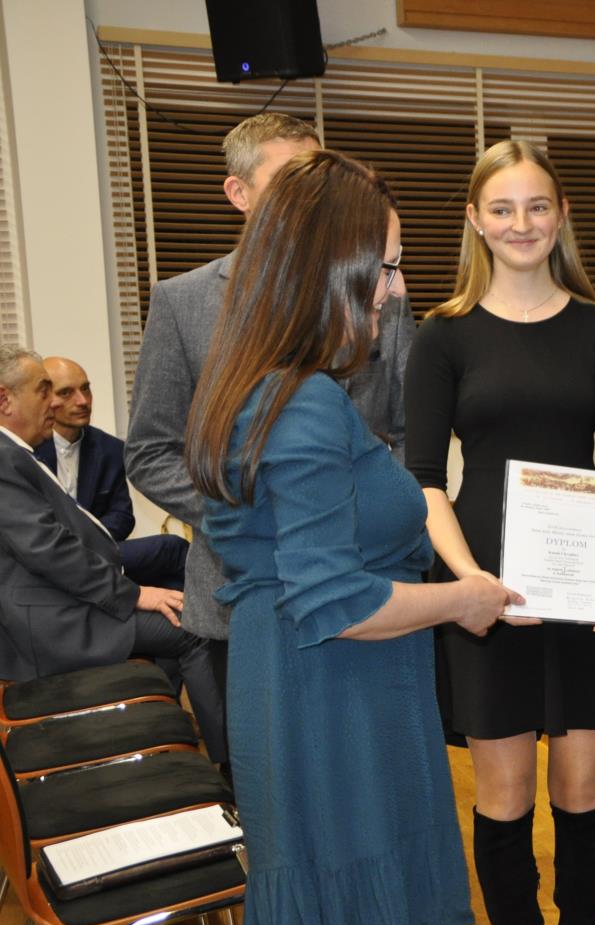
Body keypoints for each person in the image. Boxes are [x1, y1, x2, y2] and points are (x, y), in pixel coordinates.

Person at [188, 150, 507, 925]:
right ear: (333, 271)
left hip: (300, 693)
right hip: (338, 706)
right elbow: (335, 601)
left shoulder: (254, 385)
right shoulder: (307, 406)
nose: (396, 291)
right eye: (389, 267)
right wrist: (465, 598)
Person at [405, 139, 595, 925]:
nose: (522, 224)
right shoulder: (441, 335)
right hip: (485, 582)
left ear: (561, 218)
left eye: (539, 207)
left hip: (584, 578)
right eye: (503, 208)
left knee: (582, 792)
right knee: (506, 797)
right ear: (476, 219)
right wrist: (469, 581)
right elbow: (425, 481)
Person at [126, 110, 415, 768]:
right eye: (290, 182)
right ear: (240, 193)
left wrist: (371, 519)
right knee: (262, 797)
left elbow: (405, 432)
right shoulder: (185, 301)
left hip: (368, 589)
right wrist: (260, 514)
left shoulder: (379, 286)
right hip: (241, 601)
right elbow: (149, 451)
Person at [0, 345, 220, 738]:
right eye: (43, 390)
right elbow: (47, 550)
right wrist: (132, 594)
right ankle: (231, 768)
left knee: (174, 604)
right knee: (197, 631)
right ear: (5, 399)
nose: (53, 403)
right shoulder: (5, 458)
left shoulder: (15, 453)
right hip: (50, 622)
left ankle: (160, 732)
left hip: (54, 602)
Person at [33, 356, 189, 589]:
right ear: (45, 398)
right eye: (66, 393)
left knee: (169, 565)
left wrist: (87, 539)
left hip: (94, 550)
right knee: (171, 549)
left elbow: (122, 516)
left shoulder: (110, 448)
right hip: (46, 556)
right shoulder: (27, 448)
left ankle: (187, 622)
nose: (83, 400)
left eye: (86, 389)